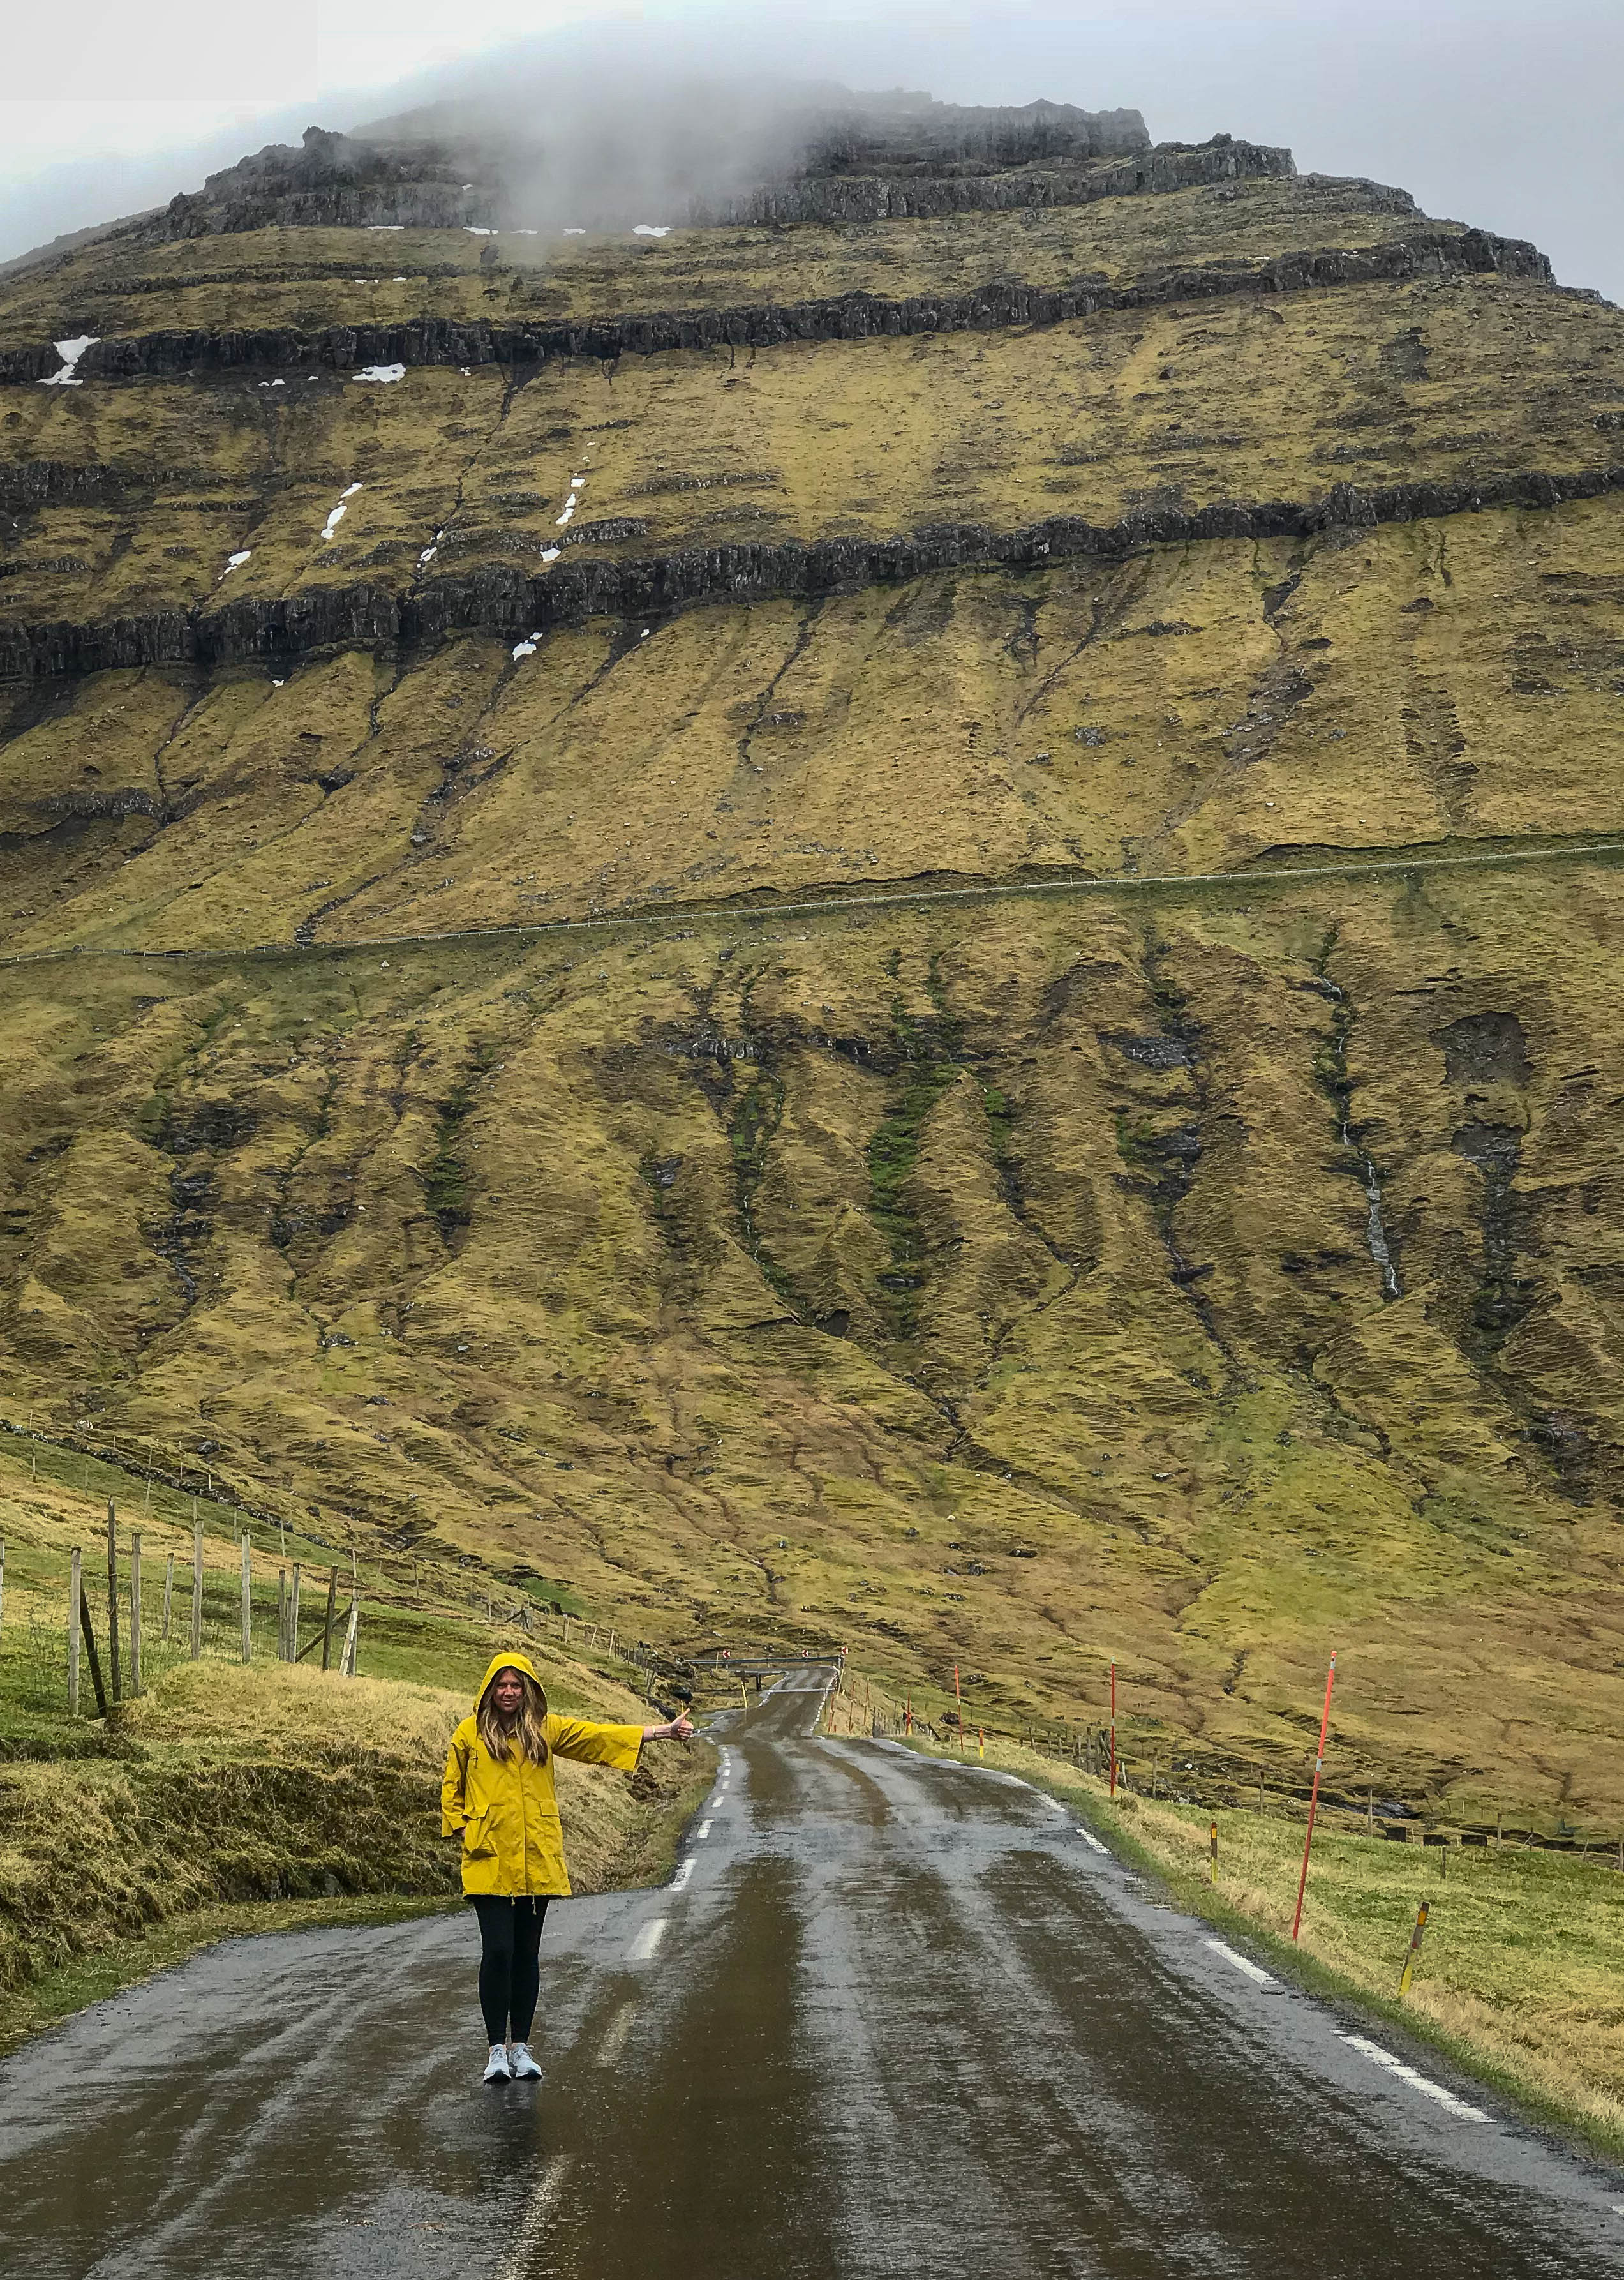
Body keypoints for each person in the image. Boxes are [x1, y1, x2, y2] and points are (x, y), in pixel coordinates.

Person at [442, 1651, 694, 2083]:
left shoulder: (544, 1730)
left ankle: (521, 2048)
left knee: (526, 1955)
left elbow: (596, 1739)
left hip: (536, 1860)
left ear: (528, 1690)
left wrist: (661, 1732)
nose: (508, 1693)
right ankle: (495, 2051)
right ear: (489, 1690)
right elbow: (452, 1790)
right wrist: (466, 1832)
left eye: (516, 1685)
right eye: (501, 1686)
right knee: (498, 1952)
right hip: (489, 1861)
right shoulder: (469, 1734)